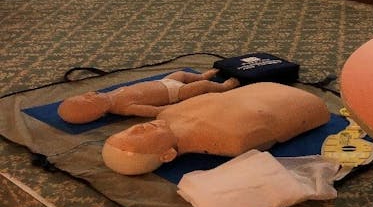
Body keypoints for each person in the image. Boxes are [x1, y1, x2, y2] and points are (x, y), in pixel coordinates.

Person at [101, 82, 331, 175]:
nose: (136, 129)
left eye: (126, 131)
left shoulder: (167, 114)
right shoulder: (234, 141)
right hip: (305, 102)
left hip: (266, 87)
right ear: (167, 155)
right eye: (136, 138)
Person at [57, 69, 240, 124]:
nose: (89, 93)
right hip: (174, 93)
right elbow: (154, 111)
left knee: (181, 74)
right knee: (203, 87)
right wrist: (174, 108)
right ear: (98, 112)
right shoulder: (125, 108)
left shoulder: (110, 95)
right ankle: (223, 87)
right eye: (89, 99)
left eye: (85, 94)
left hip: (165, 81)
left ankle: (200, 75)